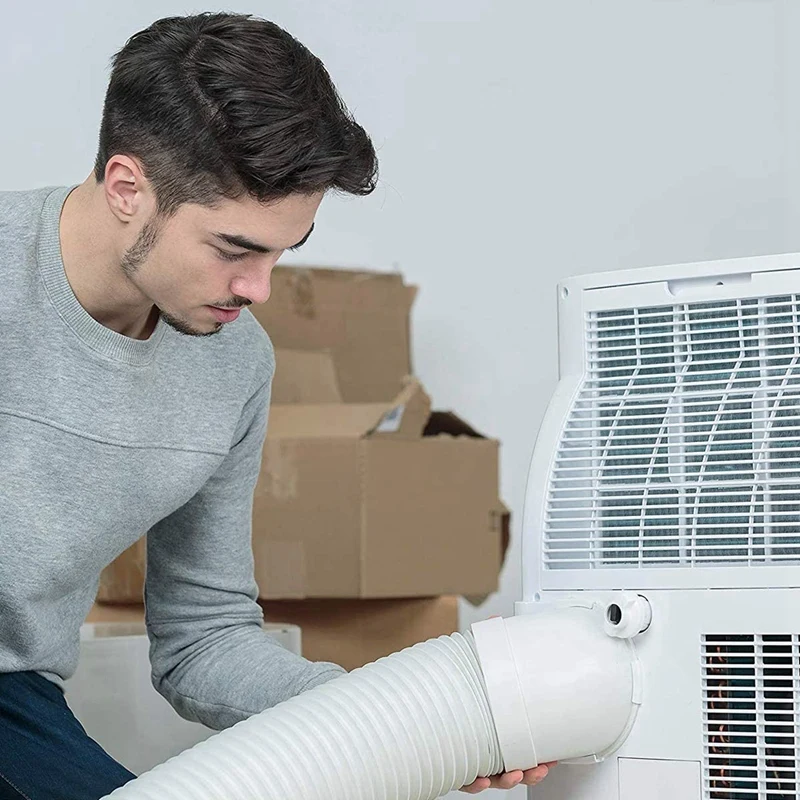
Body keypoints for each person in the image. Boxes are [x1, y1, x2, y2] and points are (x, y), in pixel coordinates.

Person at [0, 12, 551, 799]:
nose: (259, 289)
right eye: (235, 249)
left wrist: (405, 719)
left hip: (15, 697)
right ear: (127, 188)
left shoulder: (233, 362)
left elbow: (203, 638)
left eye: (284, 250)